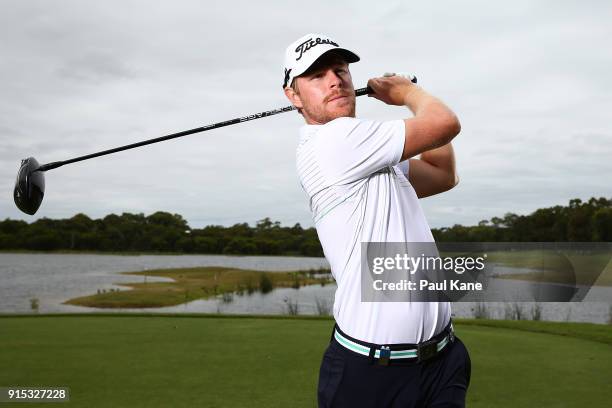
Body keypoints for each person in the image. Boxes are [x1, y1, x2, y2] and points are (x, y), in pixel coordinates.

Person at [283, 33, 471, 407]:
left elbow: (442, 174)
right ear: (293, 95)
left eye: (340, 70)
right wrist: (407, 94)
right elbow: (445, 123)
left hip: (442, 360)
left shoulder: (369, 151)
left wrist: (414, 106)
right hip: (372, 374)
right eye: (316, 76)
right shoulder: (333, 141)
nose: (335, 80)